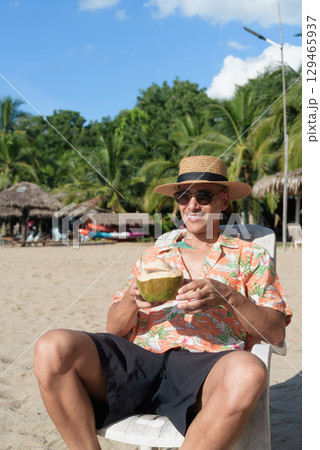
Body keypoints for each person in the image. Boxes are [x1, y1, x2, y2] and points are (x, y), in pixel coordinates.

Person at [33, 155, 292, 450]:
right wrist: (133, 299)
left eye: (203, 196)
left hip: (206, 368)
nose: (192, 205)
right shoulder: (155, 254)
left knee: (249, 371)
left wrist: (228, 296)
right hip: (142, 360)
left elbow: (275, 333)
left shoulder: (252, 256)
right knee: (51, 347)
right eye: (184, 196)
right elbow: (114, 328)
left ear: (223, 201)